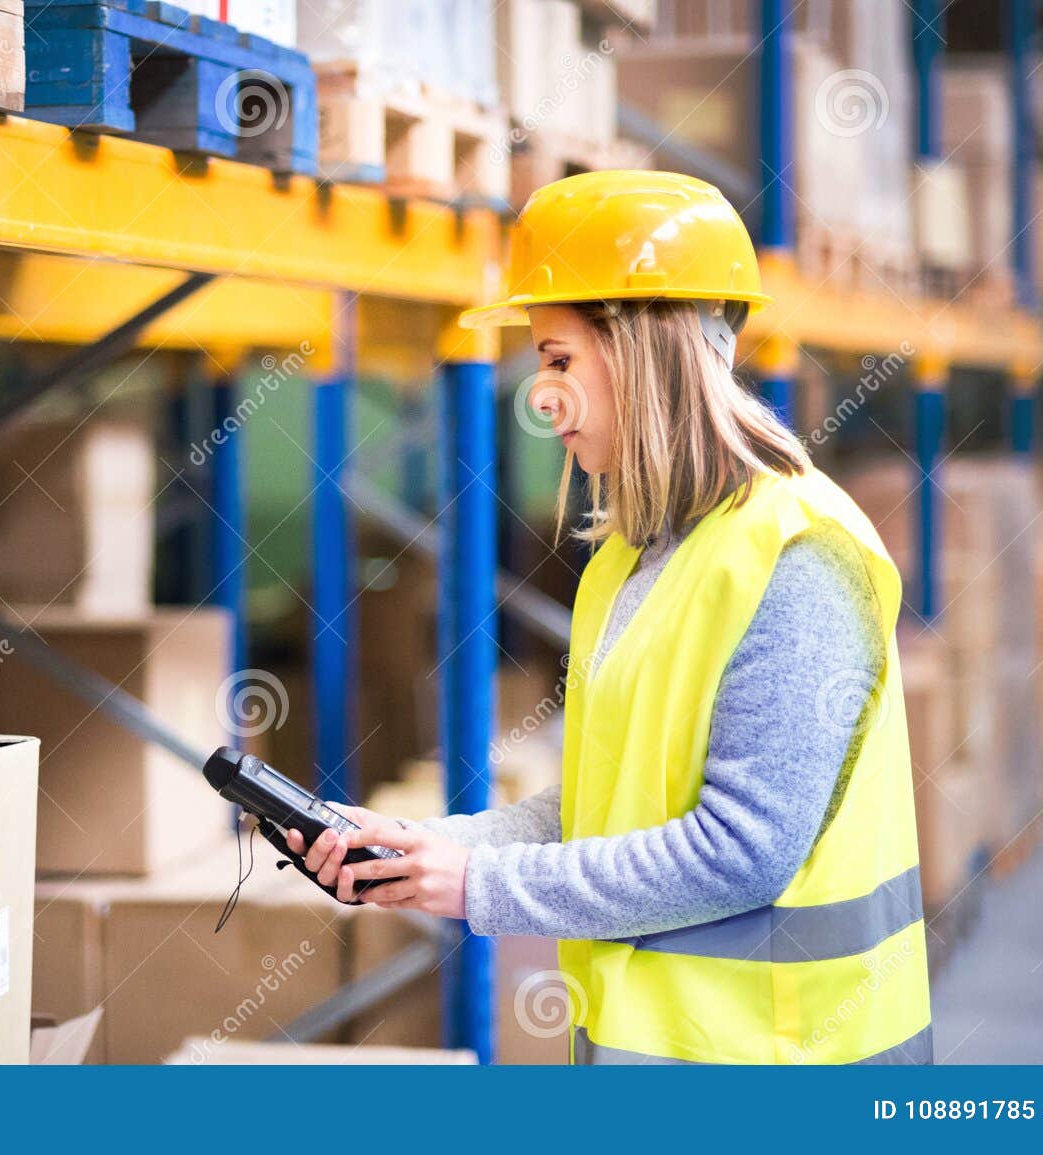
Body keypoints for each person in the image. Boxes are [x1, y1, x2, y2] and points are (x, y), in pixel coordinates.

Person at [284, 171, 932, 1065]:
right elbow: (604, 803)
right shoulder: (629, 557)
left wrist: (474, 883)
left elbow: (742, 851)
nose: (542, 402)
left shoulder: (799, 556)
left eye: (558, 360)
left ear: (644, 349)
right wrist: (424, 848)